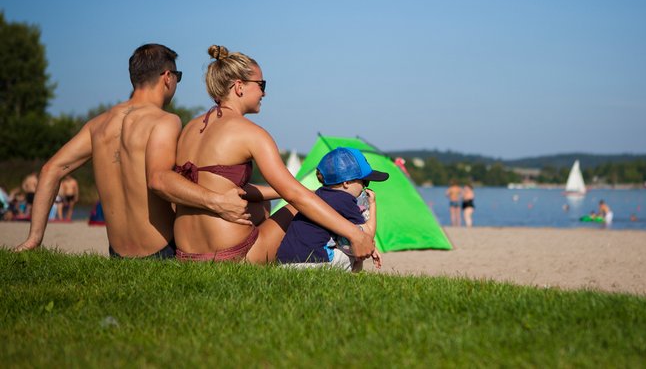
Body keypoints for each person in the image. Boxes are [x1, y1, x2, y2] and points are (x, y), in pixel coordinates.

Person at [15, 43, 249, 258]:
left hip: (118, 254)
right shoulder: (164, 121)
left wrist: (34, 239)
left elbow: (51, 169)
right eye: (178, 76)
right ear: (167, 77)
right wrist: (217, 201)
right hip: (161, 251)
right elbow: (159, 179)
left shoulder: (98, 125)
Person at [172, 45, 375, 263]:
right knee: (301, 205)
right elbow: (296, 196)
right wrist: (355, 233)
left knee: (262, 205)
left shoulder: (190, 129)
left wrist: (278, 192)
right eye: (261, 84)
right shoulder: (250, 133)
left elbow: (217, 184)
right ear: (239, 87)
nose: (264, 92)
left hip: (186, 253)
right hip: (234, 255)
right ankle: (326, 257)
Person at [277, 147, 386, 271]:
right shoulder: (344, 199)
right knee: (356, 252)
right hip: (314, 261)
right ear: (347, 182)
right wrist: (372, 204)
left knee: (346, 243)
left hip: (285, 262)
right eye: (365, 182)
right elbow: (367, 236)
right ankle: (355, 281)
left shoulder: (318, 196)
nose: (364, 188)